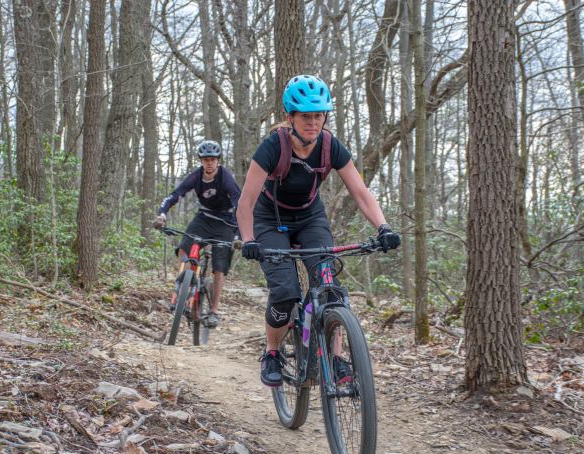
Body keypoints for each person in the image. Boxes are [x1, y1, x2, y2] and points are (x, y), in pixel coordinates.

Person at [236, 74, 401, 387]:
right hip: (270, 220)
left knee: (329, 288)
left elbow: (361, 192)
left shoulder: (329, 146)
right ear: (290, 117)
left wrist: (383, 227)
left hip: (310, 218)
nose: (313, 123)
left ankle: (336, 359)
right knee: (285, 293)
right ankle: (272, 352)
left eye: (319, 116)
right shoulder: (272, 147)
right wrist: (248, 239)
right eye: (306, 116)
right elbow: (246, 202)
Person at [154, 140, 241, 328]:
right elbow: (175, 195)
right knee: (184, 248)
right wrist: (162, 214)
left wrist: (238, 234)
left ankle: (214, 311)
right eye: (206, 160)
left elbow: (239, 204)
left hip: (226, 222)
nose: (209, 163)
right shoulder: (196, 176)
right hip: (204, 218)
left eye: (213, 160)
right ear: (201, 161)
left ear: (218, 160)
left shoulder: (225, 178)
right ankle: (184, 288)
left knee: (219, 266)